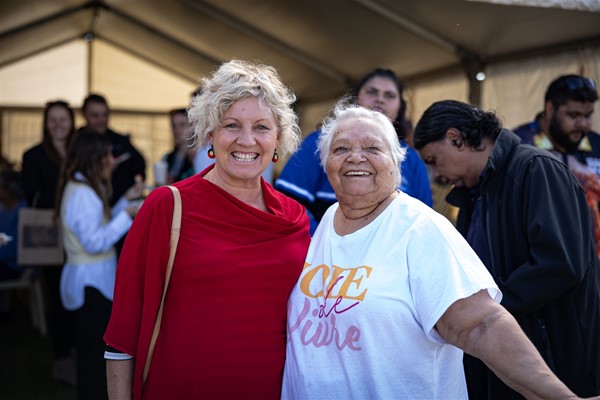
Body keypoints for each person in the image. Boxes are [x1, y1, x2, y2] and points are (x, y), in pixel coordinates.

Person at [281, 101, 600, 399]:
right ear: (326, 163)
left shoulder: (419, 228)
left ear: (396, 163)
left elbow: (482, 323)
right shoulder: (324, 226)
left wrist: (559, 397)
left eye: (372, 148)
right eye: (341, 149)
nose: (355, 157)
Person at [104, 60, 311, 400]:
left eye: (261, 127)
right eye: (232, 125)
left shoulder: (294, 219)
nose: (247, 140)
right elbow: (122, 331)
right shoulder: (167, 206)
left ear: (278, 138)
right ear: (210, 134)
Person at [413, 99, 600, 398]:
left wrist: (487, 309)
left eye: (434, 160)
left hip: (562, 361)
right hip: (509, 362)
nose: (436, 174)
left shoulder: (537, 169)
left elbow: (560, 262)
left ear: (455, 138)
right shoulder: (471, 195)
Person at [275, 68, 432, 231]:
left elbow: (422, 220)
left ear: (400, 106)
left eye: (389, 95)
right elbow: (286, 201)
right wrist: (323, 240)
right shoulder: (320, 142)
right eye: (372, 92)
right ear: (356, 99)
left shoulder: (411, 159)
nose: (380, 99)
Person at [55, 132, 144, 400]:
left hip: (91, 282)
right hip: (90, 284)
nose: (112, 160)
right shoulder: (83, 193)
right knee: (94, 360)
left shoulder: (84, 187)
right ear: (93, 158)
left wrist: (125, 201)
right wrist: (128, 215)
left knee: (92, 354)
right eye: (107, 155)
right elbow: (94, 241)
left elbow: (98, 225)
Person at [21, 100, 77, 385]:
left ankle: (79, 351)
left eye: (63, 119)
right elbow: (31, 196)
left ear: (71, 122)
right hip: (50, 237)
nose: (58, 125)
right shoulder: (32, 156)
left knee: (76, 295)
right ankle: (61, 358)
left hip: (78, 235)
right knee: (56, 297)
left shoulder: (79, 153)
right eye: (53, 120)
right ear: (46, 123)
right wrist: (65, 199)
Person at [513, 75, 600, 256]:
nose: (582, 124)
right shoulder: (519, 145)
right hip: (540, 265)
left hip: (593, 267)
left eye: (588, 115)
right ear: (550, 109)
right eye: (573, 115)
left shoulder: (596, 144)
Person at [79, 94, 146, 205]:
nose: (101, 120)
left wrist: (138, 180)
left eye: (105, 115)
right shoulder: (77, 142)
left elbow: (138, 162)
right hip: (90, 201)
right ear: (84, 115)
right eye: (95, 116)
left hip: (120, 201)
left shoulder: (120, 140)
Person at [0, 170, 27, 281]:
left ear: (10, 189)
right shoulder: (4, 211)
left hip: (14, 267)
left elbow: (15, 247)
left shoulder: (24, 211)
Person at [161, 108, 194, 184]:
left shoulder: (199, 157)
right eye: (173, 126)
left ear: (192, 126)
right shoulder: (166, 158)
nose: (176, 130)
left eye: (182, 125)